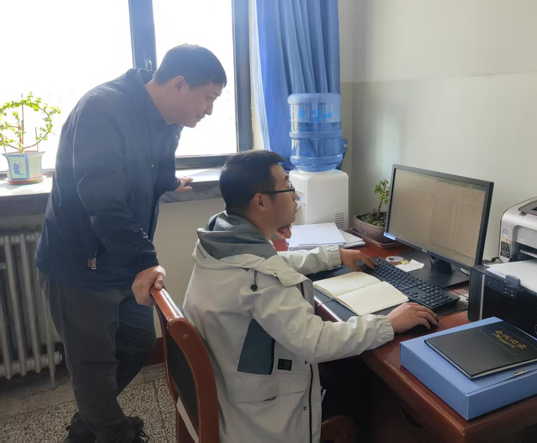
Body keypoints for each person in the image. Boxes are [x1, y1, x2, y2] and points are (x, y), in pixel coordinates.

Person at [35, 44, 227, 443]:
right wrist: (145, 260)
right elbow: (103, 199)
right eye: (208, 98)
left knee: (139, 343)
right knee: (92, 367)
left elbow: (154, 163)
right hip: (80, 265)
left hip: (123, 260)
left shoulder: (167, 118)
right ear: (179, 84)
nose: (209, 111)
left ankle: (88, 425)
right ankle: (113, 432)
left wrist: (168, 182)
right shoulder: (102, 109)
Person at [183, 150, 437, 443]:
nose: (295, 196)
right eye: (288, 187)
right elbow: (316, 343)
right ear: (261, 202)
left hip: (232, 378)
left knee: (349, 367)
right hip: (261, 412)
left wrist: (333, 255)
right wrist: (388, 323)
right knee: (363, 380)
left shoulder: (224, 239)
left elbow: (275, 263)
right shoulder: (258, 277)